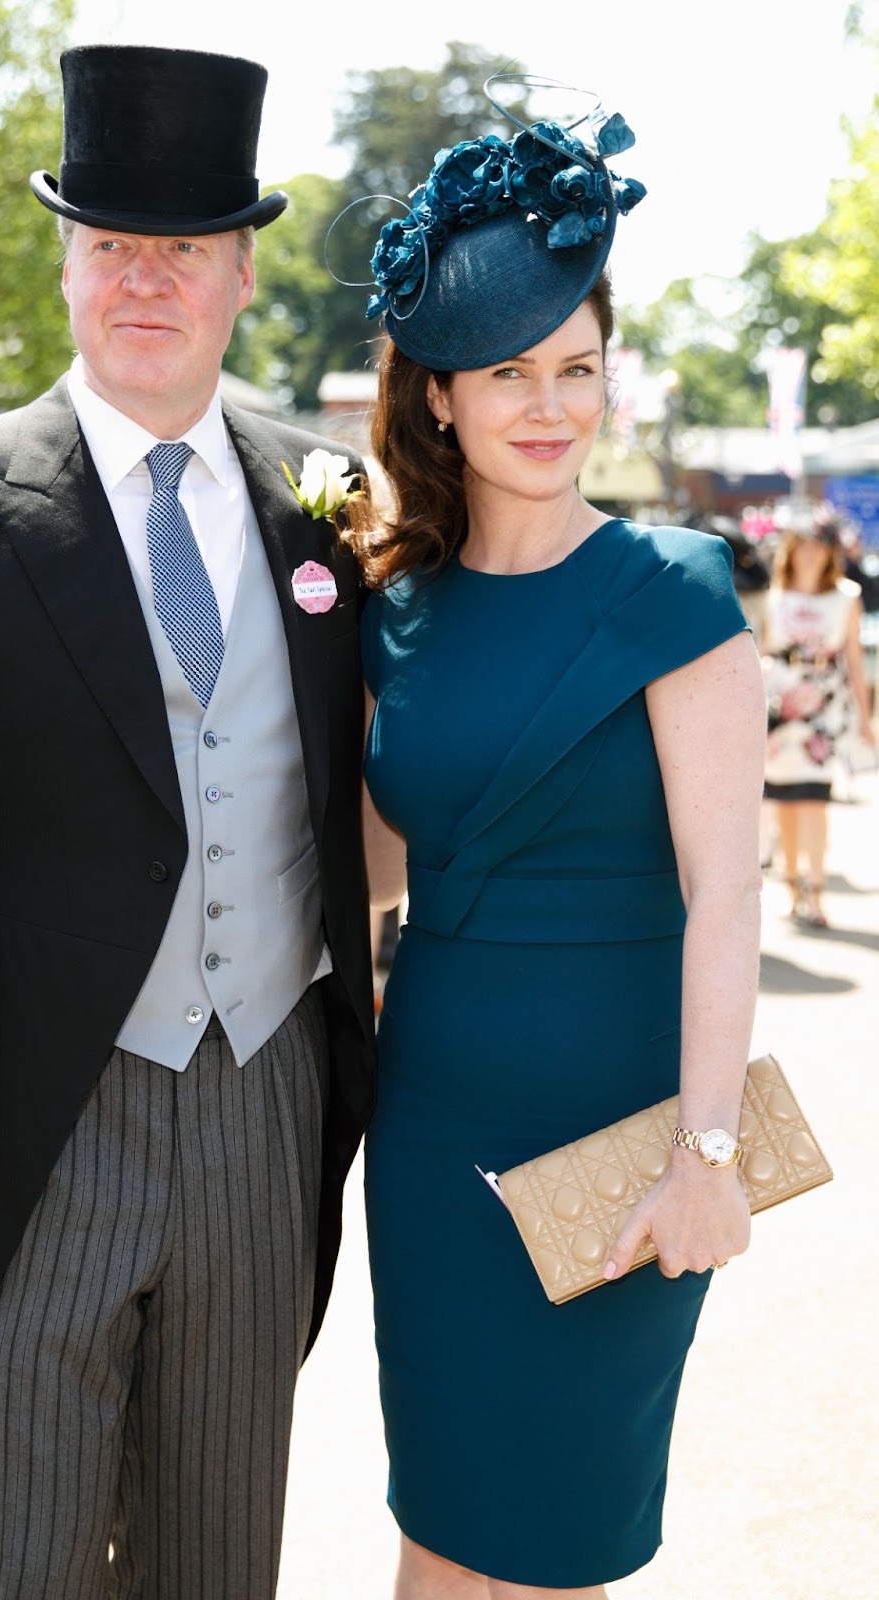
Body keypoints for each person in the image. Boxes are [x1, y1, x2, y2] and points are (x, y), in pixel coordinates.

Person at [0, 46, 375, 1600]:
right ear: (66, 261)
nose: (146, 281)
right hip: (34, 1121)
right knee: (27, 1553)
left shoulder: (324, 490)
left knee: (219, 1555)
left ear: (241, 273)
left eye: (182, 248)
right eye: (111, 244)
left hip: (265, 1098)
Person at [348, 89, 766, 1598]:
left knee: (555, 1546)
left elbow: (729, 891)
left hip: (626, 1137)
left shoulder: (673, 588)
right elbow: (379, 867)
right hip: (432, 1129)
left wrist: (708, 1155)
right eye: (506, 369)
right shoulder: (392, 610)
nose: (547, 403)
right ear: (437, 394)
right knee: (439, 1530)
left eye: (577, 367)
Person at [761, 523, 875, 928]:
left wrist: (865, 718)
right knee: (784, 802)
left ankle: (817, 890)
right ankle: (792, 889)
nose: (810, 556)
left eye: (817, 548)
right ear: (789, 552)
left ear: (830, 554)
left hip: (824, 708)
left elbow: (855, 661)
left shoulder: (846, 597)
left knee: (815, 799)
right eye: (802, 548)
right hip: (779, 704)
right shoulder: (771, 598)